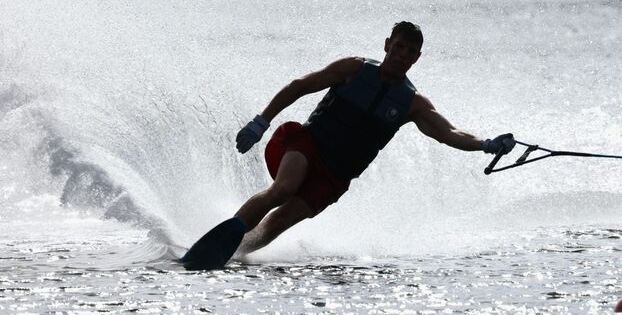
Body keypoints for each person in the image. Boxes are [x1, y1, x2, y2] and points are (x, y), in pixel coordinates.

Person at [181, 22, 515, 270]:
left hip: (335, 176)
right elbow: (301, 85)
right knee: (283, 189)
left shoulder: (412, 103)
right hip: (304, 143)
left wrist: (486, 144)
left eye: (410, 52)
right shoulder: (354, 69)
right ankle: (231, 230)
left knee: (279, 223)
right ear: (387, 45)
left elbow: (451, 133)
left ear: (417, 58)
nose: (402, 55)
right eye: (398, 47)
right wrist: (261, 121)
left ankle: (233, 252)